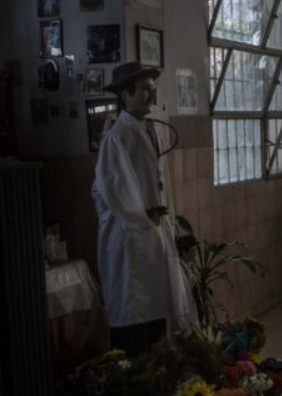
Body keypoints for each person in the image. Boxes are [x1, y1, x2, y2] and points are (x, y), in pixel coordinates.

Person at [91, 62, 195, 356]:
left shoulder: (150, 130)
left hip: (153, 232)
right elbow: (113, 190)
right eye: (145, 90)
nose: (151, 95)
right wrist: (143, 216)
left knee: (156, 307)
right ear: (125, 95)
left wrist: (169, 224)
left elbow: (162, 185)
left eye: (153, 89)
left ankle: (158, 373)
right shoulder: (117, 137)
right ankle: (131, 377)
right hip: (128, 236)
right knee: (133, 310)